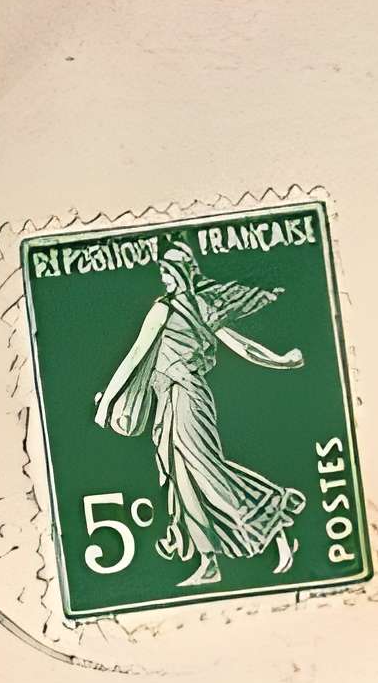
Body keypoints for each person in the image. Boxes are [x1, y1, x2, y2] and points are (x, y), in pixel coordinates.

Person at [94, 240, 306, 589]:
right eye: (162, 270)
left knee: (204, 471)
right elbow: (243, 347)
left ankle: (273, 512)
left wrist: (104, 408)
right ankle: (210, 560)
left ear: (178, 273)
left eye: (167, 270)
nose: (163, 276)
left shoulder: (166, 310)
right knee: (183, 477)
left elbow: (135, 357)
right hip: (172, 399)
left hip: (184, 397)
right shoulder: (200, 307)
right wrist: (281, 361)